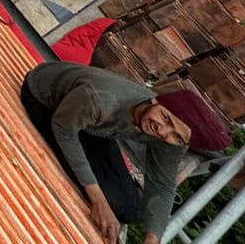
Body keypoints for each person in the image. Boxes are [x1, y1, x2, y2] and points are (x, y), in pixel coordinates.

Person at [22, 62, 227, 243]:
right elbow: (63, 129)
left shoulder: (174, 137)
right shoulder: (103, 98)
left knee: (133, 210)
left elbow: (163, 185)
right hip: (48, 103)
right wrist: (98, 202)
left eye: (177, 136)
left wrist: (153, 239)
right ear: (157, 101)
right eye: (165, 118)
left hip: (93, 127)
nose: (163, 132)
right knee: (109, 201)